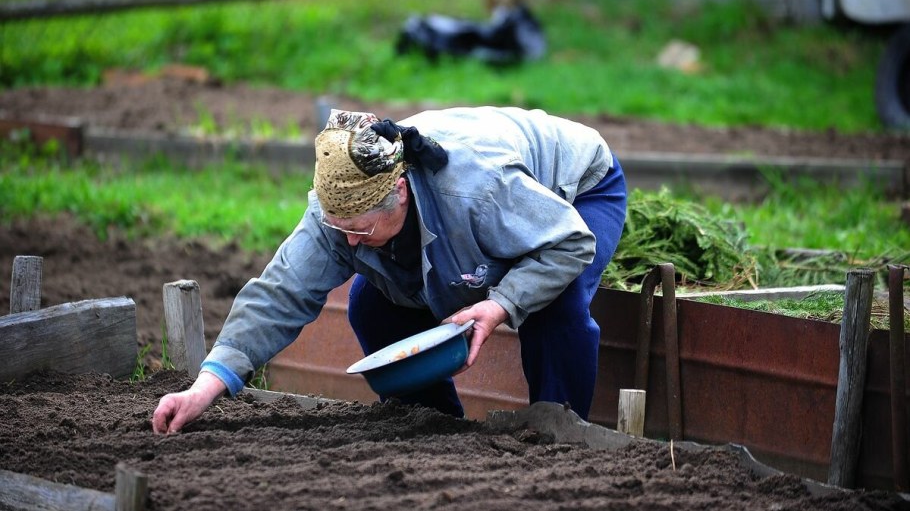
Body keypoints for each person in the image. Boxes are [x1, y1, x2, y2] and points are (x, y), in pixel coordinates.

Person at [152, 106, 627, 434]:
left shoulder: (476, 191)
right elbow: (279, 293)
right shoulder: (337, 219)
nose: (351, 242)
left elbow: (568, 242)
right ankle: (433, 424)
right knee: (369, 303)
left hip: (577, 184)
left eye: (361, 228)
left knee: (553, 303)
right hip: (486, 199)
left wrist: (501, 304)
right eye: (341, 231)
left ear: (400, 190)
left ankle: (556, 435)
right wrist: (203, 388)